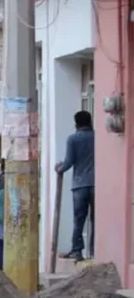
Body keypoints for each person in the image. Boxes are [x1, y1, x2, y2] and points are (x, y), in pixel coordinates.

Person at [55, 110, 95, 261]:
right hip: (96, 184)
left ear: (76, 124)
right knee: (95, 219)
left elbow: (69, 162)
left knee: (79, 219)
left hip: (79, 185)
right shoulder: (97, 137)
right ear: (90, 122)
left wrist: (59, 168)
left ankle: (77, 251)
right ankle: (93, 252)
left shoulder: (73, 139)